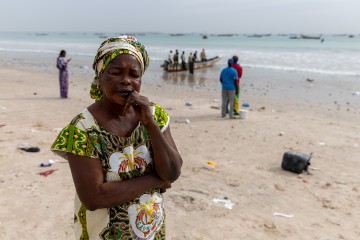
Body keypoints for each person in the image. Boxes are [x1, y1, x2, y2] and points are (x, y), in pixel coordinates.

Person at [51, 35, 183, 239]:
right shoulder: (81, 130)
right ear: (99, 76)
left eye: (134, 74)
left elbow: (172, 172)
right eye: (116, 72)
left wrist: (150, 125)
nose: (127, 80)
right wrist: (155, 179)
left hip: (151, 231)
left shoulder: (154, 115)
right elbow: (94, 197)